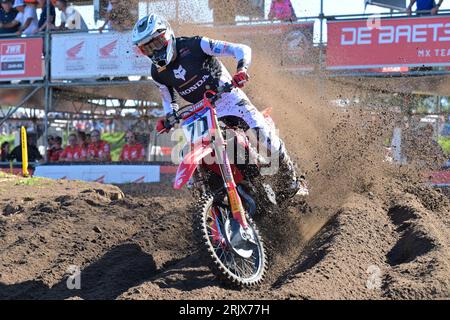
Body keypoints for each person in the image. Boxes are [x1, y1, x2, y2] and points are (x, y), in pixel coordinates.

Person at [132, 14, 308, 199]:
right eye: (147, 48)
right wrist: (169, 117)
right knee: (194, 152)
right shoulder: (158, 73)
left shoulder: (194, 45)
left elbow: (241, 49)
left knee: (263, 138)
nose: (154, 51)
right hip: (201, 113)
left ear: (166, 35)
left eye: (157, 43)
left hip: (229, 99)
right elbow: (168, 99)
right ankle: (213, 194)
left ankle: (292, 181)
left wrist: (241, 70)